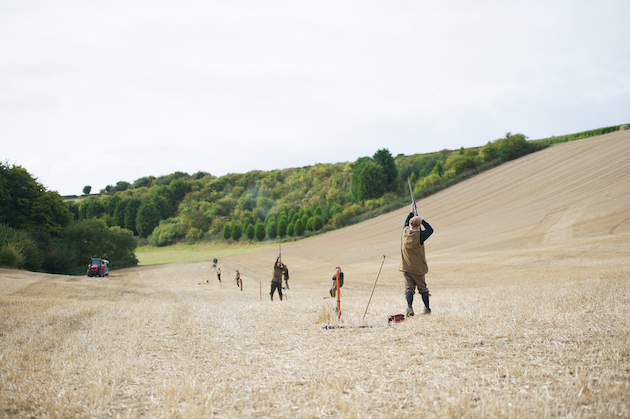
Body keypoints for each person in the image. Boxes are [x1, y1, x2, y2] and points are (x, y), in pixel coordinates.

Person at [399, 204, 434, 317]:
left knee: (409, 288)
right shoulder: (420, 236)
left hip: (406, 267)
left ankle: (409, 308)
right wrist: (422, 220)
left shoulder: (405, 232)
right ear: (419, 227)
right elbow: (430, 230)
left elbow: (406, 222)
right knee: (423, 289)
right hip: (418, 268)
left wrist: (411, 212)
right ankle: (427, 309)